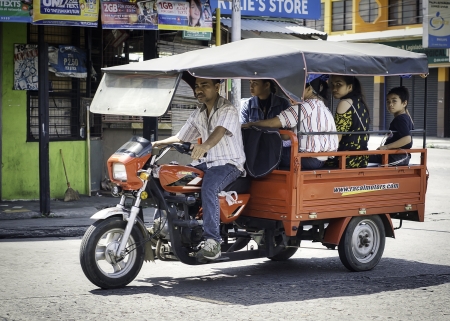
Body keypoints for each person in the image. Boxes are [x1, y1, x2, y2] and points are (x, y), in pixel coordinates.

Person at [152, 78, 245, 262]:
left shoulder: (227, 110)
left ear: (217, 87)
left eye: (205, 85)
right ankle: (165, 226)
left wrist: (205, 146)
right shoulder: (199, 112)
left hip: (230, 164)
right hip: (209, 162)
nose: (199, 90)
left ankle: (213, 243)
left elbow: (219, 131)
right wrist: (155, 144)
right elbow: (181, 137)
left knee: (209, 187)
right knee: (175, 177)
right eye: (197, 86)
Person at [242, 75, 338, 170]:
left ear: (309, 89)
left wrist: (252, 124)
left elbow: (274, 123)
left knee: (265, 152)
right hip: (320, 159)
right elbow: (287, 135)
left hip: (308, 158)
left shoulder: (304, 107)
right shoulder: (322, 106)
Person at [240, 79, 292, 168]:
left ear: (267, 85)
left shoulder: (283, 104)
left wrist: (254, 126)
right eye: (250, 83)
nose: (251, 86)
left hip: (276, 148)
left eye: (255, 83)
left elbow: (289, 133)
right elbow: (243, 129)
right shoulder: (247, 105)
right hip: (254, 149)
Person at [328, 75, 370, 168]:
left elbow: (337, 137)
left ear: (350, 87)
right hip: (362, 157)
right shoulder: (360, 103)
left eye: (339, 84)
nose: (334, 88)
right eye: (332, 84)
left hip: (346, 158)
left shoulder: (345, 103)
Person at [369, 86, 414, 166]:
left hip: (395, 157)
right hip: (397, 156)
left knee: (362, 158)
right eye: (388, 101)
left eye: (394, 101)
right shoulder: (405, 117)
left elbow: (407, 139)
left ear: (404, 103)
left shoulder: (400, 119)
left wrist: (386, 147)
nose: (390, 104)